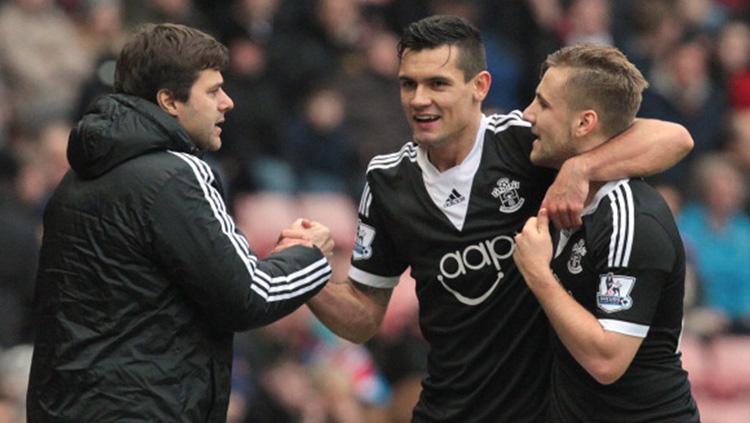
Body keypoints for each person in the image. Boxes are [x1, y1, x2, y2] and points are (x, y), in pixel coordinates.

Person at [306, 15, 693, 423]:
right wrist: (305, 275)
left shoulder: (527, 143)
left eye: (438, 84)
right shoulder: (386, 181)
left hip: (539, 411)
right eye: (408, 84)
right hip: (447, 408)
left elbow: (673, 138)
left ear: (480, 87)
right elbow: (363, 319)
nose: (419, 99)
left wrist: (580, 169)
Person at [26, 23, 333, 422]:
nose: (227, 102)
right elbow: (249, 296)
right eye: (212, 91)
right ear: (169, 101)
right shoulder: (177, 173)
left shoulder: (77, 178)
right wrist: (310, 256)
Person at [513, 44, 699, 421]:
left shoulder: (633, 218)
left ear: (584, 124)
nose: (528, 114)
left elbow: (607, 360)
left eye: (543, 104)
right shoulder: (553, 169)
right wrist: (578, 168)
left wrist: (537, 273)